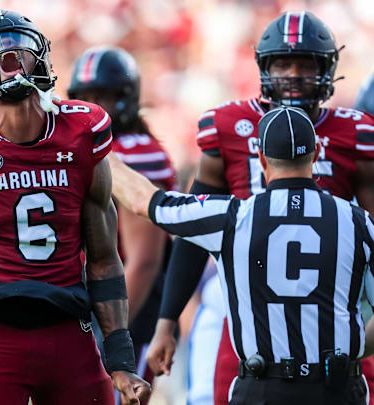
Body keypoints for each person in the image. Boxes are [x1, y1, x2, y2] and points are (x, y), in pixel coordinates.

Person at [0, 10, 150, 405]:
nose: (10, 59)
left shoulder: (80, 140)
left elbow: (105, 260)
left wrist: (120, 360)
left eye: (19, 46)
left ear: (42, 57)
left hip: (71, 333)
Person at [145, 11, 374, 404]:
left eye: (306, 64)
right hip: (244, 301)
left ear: (327, 69)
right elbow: (193, 236)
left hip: (328, 299)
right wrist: (168, 320)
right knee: (213, 393)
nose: (293, 74)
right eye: (283, 63)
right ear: (265, 67)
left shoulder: (356, 133)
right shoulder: (229, 125)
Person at [112, 105, 372, 404]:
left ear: (261, 159)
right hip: (337, 390)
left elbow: (142, 201)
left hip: (262, 388)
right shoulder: (357, 221)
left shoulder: (232, 216)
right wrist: (348, 349)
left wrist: (96, 144)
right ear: (315, 156)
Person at [67, 46, 176, 404]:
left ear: (125, 98)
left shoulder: (134, 150)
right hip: (98, 295)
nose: (92, 107)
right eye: (84, 99)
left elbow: (144, 261)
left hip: (129, 299)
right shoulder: (98, 147)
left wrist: (111, 335)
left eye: (101, 97)